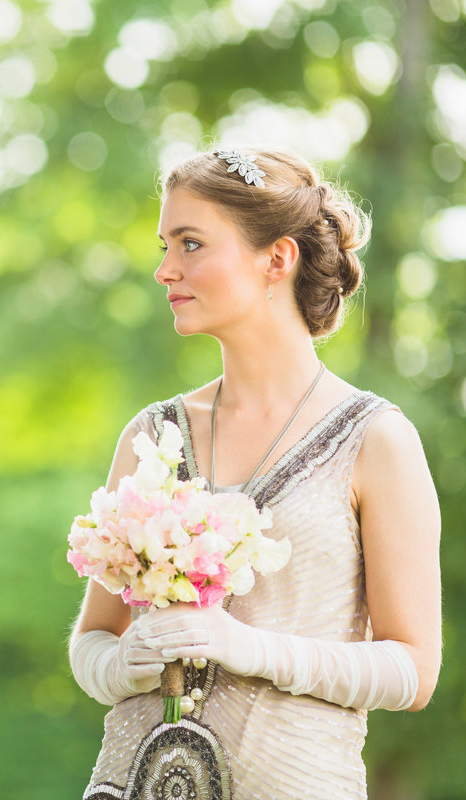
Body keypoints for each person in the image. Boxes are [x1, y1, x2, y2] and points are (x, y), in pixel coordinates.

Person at [67, 147, 442, 799]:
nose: (164, 270)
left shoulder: (377, 441)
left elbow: (413, 670)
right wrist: (126, 663)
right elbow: (92, 644)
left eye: (190, 244)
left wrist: (248, 647)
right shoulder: (152, 438)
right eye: (165, 245)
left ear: (277, 259)